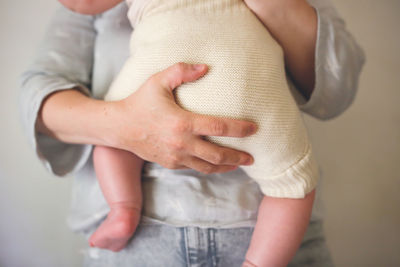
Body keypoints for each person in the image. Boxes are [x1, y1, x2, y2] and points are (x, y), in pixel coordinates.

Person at [19, 0, 365, 266]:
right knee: (293, 186)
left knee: (110, 146)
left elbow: (336, 90)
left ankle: (123, 207)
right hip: (153, 239)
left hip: (217, 219)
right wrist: (127, 125)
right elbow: (40, 95)